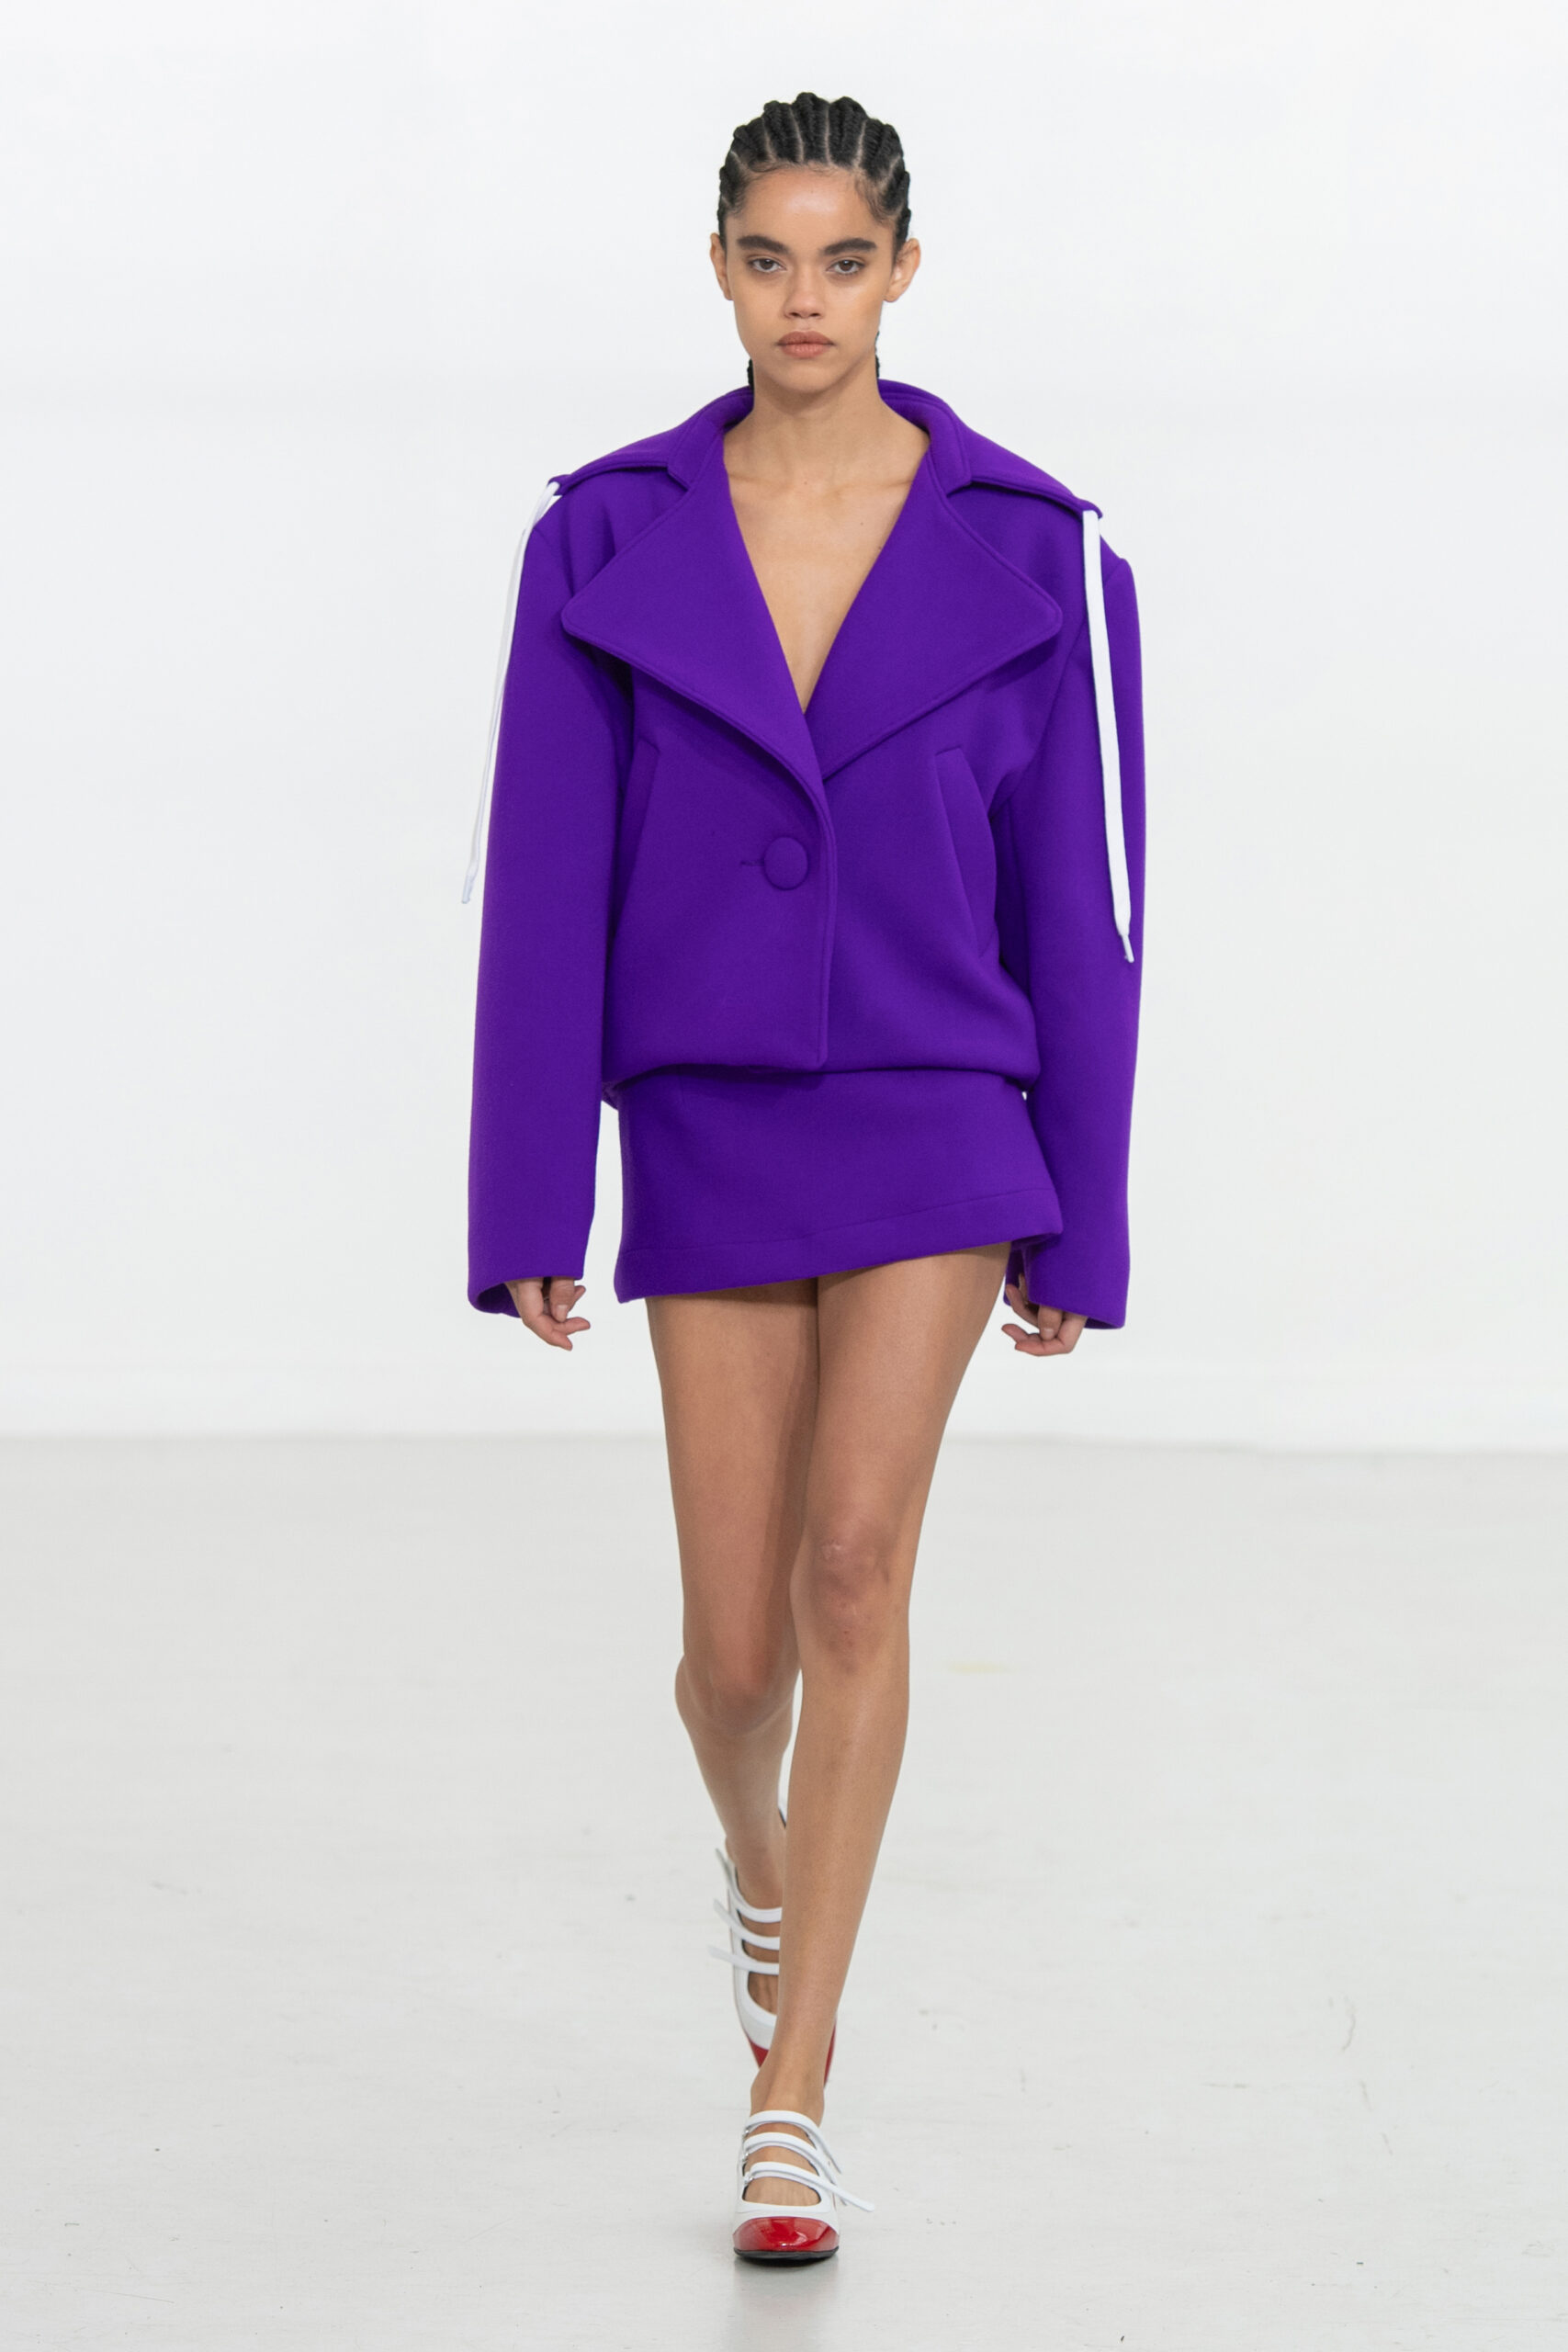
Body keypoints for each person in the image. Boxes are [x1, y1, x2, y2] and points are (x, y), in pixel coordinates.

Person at [466, 90, 1144, 2264]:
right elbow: (540, 876)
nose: (803, 300)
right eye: (766, 258)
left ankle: (792, 2087)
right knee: (731, 1649)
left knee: (857, 1570)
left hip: (942, 1098)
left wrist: (1081, 1210)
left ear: (901, 271)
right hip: (706, 1109)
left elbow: (1086, 906)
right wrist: (523, 1193)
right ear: (718, 268)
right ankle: (760, 1870)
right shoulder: (605, 535)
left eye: (842, 260)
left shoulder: (1036, 548)